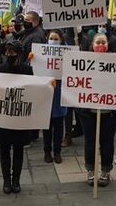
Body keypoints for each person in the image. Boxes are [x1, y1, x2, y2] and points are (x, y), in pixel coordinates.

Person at [77, 33, 116, 187]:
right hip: (88, 112)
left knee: (107, 142)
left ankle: (106, 172)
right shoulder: (84, 60)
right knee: (90, 142)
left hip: (110, 112)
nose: (100, 45)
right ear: (92, 45)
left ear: (108, 45)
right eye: (98, 42)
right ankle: (90, 171)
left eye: (103, 42)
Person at [0, 40, 33, 194]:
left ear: (19, 52)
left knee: (18, 149)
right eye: (7, 52)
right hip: (4, 116)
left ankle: (16, 180)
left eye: (12, 52)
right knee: (4, 149)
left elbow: (32, 91)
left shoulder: (27, 70)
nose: (9, 54)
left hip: (20, 117)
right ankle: (6, 181)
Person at [41, 30, 67, 164]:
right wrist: (31, 59)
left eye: (56, 38)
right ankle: (47, 151)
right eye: (51, 38)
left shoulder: (67, 54)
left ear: (61, 40)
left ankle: (57, 152)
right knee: (46, 127)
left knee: (58, 127)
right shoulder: (42, 52)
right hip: (47, 94)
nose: (53, 41)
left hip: (60, 95)